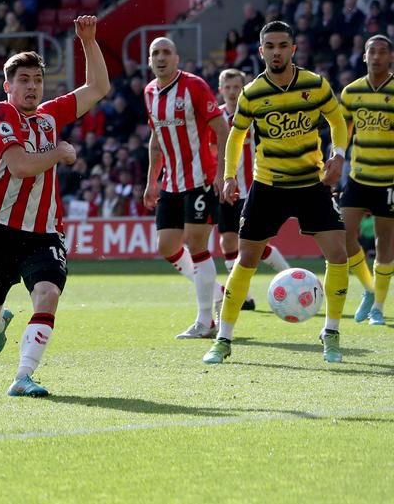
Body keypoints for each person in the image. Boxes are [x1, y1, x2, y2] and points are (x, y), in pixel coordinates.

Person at [0, 15, 110, 398]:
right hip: (0, 230)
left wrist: (88, 41)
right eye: (24, 80)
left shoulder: (51, 115)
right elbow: (19, 166)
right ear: (8, 86)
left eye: (37, 80)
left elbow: (98, 87)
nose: (32, 87)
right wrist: (59, 152)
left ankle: (23, 376)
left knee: (48, 293)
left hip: (44, 231)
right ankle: (0, 323)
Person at [204, 20, 349, 365]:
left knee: (338, 254)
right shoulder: (252, 93)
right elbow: (236, 135)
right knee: (246, 259)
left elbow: (338, 121)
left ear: (293, 49)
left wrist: (339, 156)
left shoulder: (315, 85)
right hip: (268, 185)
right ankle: (223, 339)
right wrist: (228, 176)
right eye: (270, 46)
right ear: (261, 51)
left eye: (282, 45)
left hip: (312, 184)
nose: (276, 52)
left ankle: (330, 333)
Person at [142, 38, 229, 339]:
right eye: (155, 53)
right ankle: (216, 291)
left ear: (177, 58)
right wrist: (151, 180)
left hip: (200, 179)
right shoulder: (150, 92)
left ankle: (206, 321)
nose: (161, 57)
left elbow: (221, 128)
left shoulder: (194, 86)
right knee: (167, 246)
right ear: (149, 61)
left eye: (166, 52)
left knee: (196, 244)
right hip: (171, 182)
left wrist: (222, 172)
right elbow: (156, 139)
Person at [216, 68, 290, 310]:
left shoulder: (254, 115)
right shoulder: (215, 119)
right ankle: (244, 298)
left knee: (254, 244)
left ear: (243, 89)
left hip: (251, 189)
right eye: (227, 88)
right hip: (224, 188)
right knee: (228, 243)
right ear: (220, 90)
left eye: (237, 87)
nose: (232, 92)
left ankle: (289, 276)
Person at [339, 34, 394, 326]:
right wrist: (335, 160)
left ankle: (379, 309)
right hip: (358, 177)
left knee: (385, 242)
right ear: (364, 57)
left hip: (388, 180)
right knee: (345, 237)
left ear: (390, 57)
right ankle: (369, 290)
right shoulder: (350, 92)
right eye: (371, 51)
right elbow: (342, 134)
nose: (376, 56)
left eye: (382, 52)